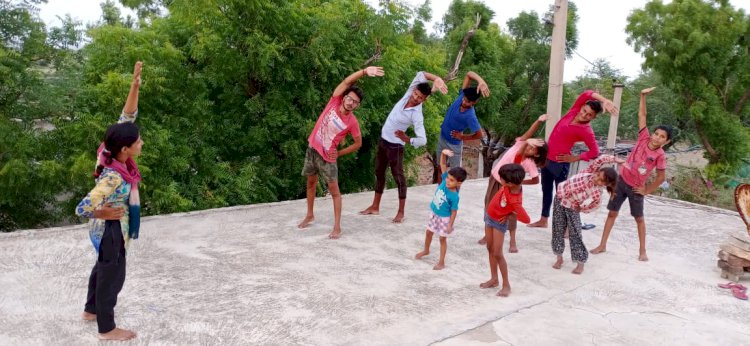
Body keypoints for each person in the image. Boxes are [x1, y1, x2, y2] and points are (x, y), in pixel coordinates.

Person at [75, 61, 143, 341]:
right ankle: (107, 328)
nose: (141, 144)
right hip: (111, 230)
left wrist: (134, 86)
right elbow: (82, 207)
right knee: (112, 277)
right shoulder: (114, 176)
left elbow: (127, 117)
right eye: (138, 141)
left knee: (102, 268)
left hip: (108, 231)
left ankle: (91, 311)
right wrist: (102, 213)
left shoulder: (110, 150)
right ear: (125, 148)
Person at [298, 66, 385, 239]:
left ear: (357, 106)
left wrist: (339, 153)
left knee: (334, 192)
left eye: (355, 102)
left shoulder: (352, 122)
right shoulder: (335, 101)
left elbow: (358, 143)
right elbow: (346, 82)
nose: (350, 102)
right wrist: (364, 72)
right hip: (312, 148)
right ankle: (310, 214)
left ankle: (337, 226)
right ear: (345, 96)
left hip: (327, 158)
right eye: (349, 98)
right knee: (310, 183)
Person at [590, 87, 671, 261]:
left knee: (639, 219)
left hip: (636, 189)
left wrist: (647, 190)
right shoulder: (644, 138)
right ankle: (602, 245)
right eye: (656, 134)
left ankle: (643, 251)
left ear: (666, 141)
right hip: (621, 182)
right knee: (612, 213)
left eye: (662, 137)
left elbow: (661, 177)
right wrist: (642, 96)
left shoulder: (660, 156)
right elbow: (642, 116)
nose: (657, 137)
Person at [359, 71, 448, 223]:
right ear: (414, 91)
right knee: (379, 173)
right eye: (416, 94)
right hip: (383, 141)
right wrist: (436, 78)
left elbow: (422, 140)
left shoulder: (417, 115)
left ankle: (401, 212)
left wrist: (407, 139)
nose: (416, 98)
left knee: (399, 178)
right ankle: (375, 206)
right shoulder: (409, 93)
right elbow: (422, 73)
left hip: (396, 147)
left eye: (420, 98)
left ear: (425, 100)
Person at [528, 90, 619, 228]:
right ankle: (543, 220)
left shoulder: (586, 131)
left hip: (560, 165)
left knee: (563, 195)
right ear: (581, 107)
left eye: (589, 115)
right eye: (584, 110)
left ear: (593, 117)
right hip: (547, 160)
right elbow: (587, 93)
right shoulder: (574, 110)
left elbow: (595, 152)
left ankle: (564, 225)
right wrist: (604, 100)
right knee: (546, 190)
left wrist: (574, 158)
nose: (584, 115)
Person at [479, 114, 549, 251]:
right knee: (489, 206)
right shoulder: (519, 145)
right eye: (530, 144)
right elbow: (528, 134)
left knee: (510, 212)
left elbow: (536, 180)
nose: (530, 147)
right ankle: (487, 234)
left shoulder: (529, 163)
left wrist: (520, 183)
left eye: (534, 148)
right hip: (496, 180)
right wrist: (539, 121)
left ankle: (512, 240)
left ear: (536, 154)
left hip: (511, 188)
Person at [551, 155, 622, 275]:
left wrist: (582, 208)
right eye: (598, 175)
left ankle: (580, 262)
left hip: (573, 206)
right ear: (597, 172)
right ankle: (559, 258)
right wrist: (614, 159)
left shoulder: (596, 191)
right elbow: (601, 159)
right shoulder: (589, 172)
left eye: (601, 181)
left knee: (576, 234)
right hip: (559, 199)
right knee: (557, 229)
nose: (596, 179)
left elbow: (596, 204)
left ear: (605, 184)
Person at [481, 164, 530, 297]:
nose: (500, 180)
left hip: (498, 222)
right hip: (489, 216)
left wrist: (510, 215)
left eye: (502, 179)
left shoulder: (515, 200)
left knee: (497, 253)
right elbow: (518, 162)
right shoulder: (513, 182)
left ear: (509, 183)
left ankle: (506, 285)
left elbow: (526, 219)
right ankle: (494, 279)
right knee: (490, 248)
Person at [415, 149, 467, 270]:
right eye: (448, 178)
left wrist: (450, 225)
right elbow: (442, 165)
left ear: (459, 183)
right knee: (428, 232)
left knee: (442, 239)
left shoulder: (454, 196)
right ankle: (426, 250)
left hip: (444, 218)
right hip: (434, 213)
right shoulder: (444, 181)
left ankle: (441, 262)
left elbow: (454, 212)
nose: (448, 181)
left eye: (452, 180)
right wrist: (443, 153)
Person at [435, 71, 490, 171]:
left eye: (468, 101)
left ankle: (454, 187)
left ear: (474, 102)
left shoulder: (470, 116)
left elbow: (479, 134)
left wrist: (462, 137)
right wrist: (480, 80)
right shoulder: (462, 96)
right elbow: (469, 74)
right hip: (442, 138)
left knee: (454, 173)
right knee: (440, 167)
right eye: (464, 99)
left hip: (453, 145)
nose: (464, 102)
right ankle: (440, 187)